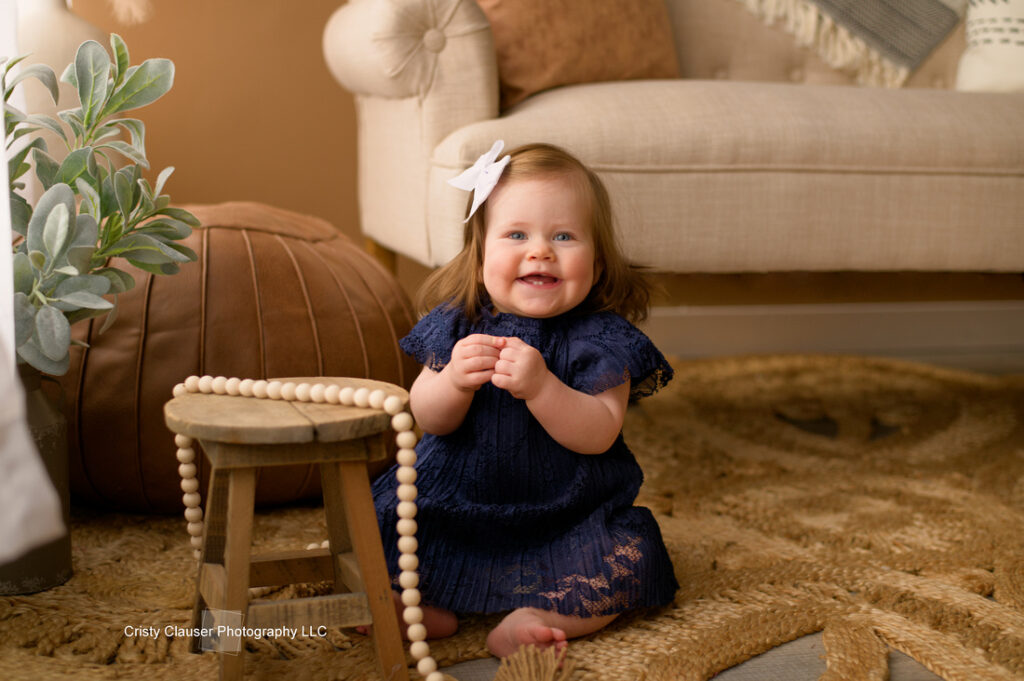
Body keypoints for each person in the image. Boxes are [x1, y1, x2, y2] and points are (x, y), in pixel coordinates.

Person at [371, 141, 679, 658]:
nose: (540, 251)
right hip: (453, 508)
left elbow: (599, 432)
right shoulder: (459, 327)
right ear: (480, 255)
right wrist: (452, 384)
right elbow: (428, 418)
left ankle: (534, 617)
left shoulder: (601, 340)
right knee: (382, 524)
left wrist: (542, 388)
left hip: (567, 518)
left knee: (634, 554)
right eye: (517, 234)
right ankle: (422, 606)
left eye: (563, 235)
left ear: (598, 264)